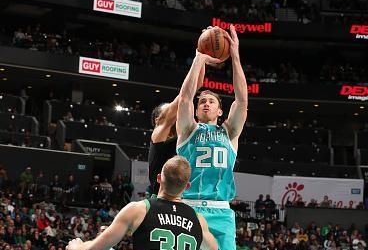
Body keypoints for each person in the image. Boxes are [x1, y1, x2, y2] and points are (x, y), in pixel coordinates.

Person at [176, 24, 248, 250]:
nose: (205, 103)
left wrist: (235, 56)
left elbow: (242, 101)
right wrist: (199, 57)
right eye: (202, 102)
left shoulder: (230, 132)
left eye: (211, 101)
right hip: (189, 207)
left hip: (221, 210)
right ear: (197, 111)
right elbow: (185, 98)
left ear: (220, 111)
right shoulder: (188, 130)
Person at [66, 156, 217, 250]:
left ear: (158, 178)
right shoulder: (198, 220)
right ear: (187, 186)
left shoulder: (139, 210)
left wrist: (76, 247)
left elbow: (95, 248)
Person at [148, 67, 205, 196]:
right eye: (170, 110)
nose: (175, 112)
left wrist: (203, 59)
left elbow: (198, 83)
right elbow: (185, 97)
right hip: (160, 199)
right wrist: (198, 58)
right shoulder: (158, 135)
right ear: (158, 119)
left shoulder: (184, 137)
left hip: (182, 199)